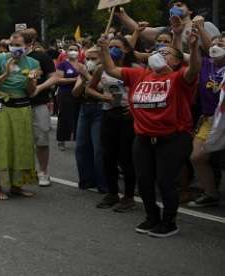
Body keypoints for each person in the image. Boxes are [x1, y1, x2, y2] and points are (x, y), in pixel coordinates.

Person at [98, 29, 201, 237]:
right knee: (144, 180)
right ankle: (151, 217)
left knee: (164, 181)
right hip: (143, 138)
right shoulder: (139, 74)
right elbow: (110, 69)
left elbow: (194, 69)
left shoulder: (179, 77)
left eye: (166, 53)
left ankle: (169, 222)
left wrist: (192, 48)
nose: (160, 53)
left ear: (176, 62)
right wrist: (103, 50)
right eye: (158, 50)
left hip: (173, 138)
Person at [0, 33, 40, 200]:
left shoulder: (33, 63)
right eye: (12, 44)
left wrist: (30, 80)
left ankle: (17, 185)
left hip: (22, 108)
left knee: (21, 146)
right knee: (1, 146)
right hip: (2, 107)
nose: (15, 48)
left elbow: (32, 92)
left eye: (18, 45)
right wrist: (6, 73)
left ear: (27, 46)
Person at [88, 36, 137, 212]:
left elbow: (144, 90)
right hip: (108, 113)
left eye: (117, 46)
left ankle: (129, 196)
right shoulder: (101, 69)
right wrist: (103, 97)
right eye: (110, 46)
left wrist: (134, 107)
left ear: (126, 49)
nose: (113, 49)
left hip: (128, 116)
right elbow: (89, 88)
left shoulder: (135, 69)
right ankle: (112, 192)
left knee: (126, 157)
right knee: (108, 155)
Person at [188, 36, 225, 207]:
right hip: (210, 119)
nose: (216, 47)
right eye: (214, 43)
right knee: (197, 157)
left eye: (221, 44)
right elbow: (181, 57)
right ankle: (210, 194)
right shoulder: (204, 63)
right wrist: (193, 44)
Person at [23, 28, 56, 187]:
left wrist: (40, 88)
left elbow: (53, 77)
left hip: (38, 104)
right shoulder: (10, 59)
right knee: (21, 141)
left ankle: (43, 171)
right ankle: (24, 171)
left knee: (42, 139)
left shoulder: (42, 57)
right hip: (17, 105)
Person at [72, 47, 106, 192]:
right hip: (84, 109)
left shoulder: (105, 71)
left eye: (94, 59)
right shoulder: (83, 73)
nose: (89, 62)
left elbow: (102, 89)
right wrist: (83, 77)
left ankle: (103, 183)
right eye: (88, 59)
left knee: (98, 148)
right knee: (81, 146)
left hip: (99, 109)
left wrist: (87, 74)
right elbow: (75, 93)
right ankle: (86, 180)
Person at [55, 42, 82, 151]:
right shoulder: (62, 64)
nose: (73, 52)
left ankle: (78, 139)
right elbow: (58, 79)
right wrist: (74, 79)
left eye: (75, 50)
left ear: (79, 52)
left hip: (79, 93)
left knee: (78, 116)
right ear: (66, 52)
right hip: (65, 93)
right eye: (71, 49)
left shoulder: (82, 65)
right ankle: (62, 140)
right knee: (65, 116)